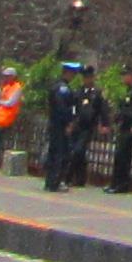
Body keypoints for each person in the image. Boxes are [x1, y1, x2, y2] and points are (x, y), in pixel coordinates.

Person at [105, 67, 132, 193]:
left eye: (125, 75)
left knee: (123, 155)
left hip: (131, 127)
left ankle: (121, 184)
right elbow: (126, 109)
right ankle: (115, 183)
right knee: (120, 155)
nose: (123, 78)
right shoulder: (130, 90)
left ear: (131, 76)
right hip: (124, 126)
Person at [66, 66, 106, 188]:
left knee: (78, 151)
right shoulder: (78, 92)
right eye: (85, 77)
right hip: (77, 125)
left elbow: (102, 110)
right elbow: (72, 108)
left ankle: (68, 177)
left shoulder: (97, 93)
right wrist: (70, 122)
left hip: (88, 127)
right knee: (77, 152)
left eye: (89, 77)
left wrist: (103, 124)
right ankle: (80, 178)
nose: (87, 80)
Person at [42, 63, 78, 191]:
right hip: (60, 125)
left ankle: (50, 181)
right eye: (72, 74)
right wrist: (69, 122)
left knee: (55, 152)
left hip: (55, 124)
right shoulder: (63, 89)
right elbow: (63, 108)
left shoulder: (56, 86)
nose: (73, 76)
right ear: (67, 73)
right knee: (60, 154)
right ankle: (55, 182)